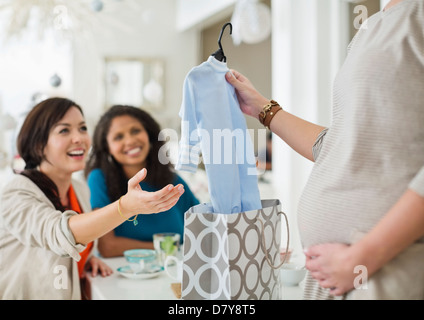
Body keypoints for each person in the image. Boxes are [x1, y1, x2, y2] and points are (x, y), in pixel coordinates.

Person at [225, 0, 424, 300]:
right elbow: (341, 147)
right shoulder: (371, 27)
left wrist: (363, 257)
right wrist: (263, 109)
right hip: (335, 277)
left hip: (386, 271)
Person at [0, 97, 184, 299]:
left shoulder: (80, 190)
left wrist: (85, 259)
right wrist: (126, 207)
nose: (79, 138)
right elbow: (58, 234)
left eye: (82, 128)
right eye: (64, 130)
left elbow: (65, 249)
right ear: (38, 145)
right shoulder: (16, 192)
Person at [85, 105, 199, 257]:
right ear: (108, 148)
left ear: (149, 135)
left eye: (135, 131)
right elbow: (107, 247)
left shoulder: (171, 180)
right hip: (122, 276)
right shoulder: (99, 179)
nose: (130, 140)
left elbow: (203, 225)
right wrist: (165, 248)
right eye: (119, 137)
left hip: (173, 272)